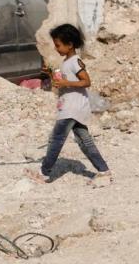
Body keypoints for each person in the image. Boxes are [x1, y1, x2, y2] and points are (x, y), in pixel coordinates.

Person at [26, 24, 110, 183]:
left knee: (56, 139)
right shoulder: (67, 62)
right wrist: (51, 74)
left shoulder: (75, 62)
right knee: (85, 142)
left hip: (72, 108)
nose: (56, 48)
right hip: (71, 107)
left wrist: (65, 82)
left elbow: (86, 82)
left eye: (58, 45)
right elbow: (63, 82)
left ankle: (44, 173)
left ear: (70, 44)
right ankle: (104, 170)